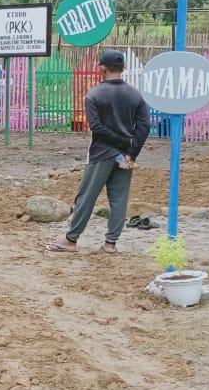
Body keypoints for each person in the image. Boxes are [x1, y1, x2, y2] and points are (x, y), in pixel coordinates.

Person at [47, 49, 150, 254]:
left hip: (101, 153)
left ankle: (70, 239)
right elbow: (144, 125)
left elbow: (97, 127)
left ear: (102, 68)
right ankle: (110, 243)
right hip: (126, 156)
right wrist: (131, 151)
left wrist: (120, 143)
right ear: (122, 68)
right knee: (119, 199)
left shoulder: (94, 94)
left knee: (86, 196)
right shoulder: (135, 94)